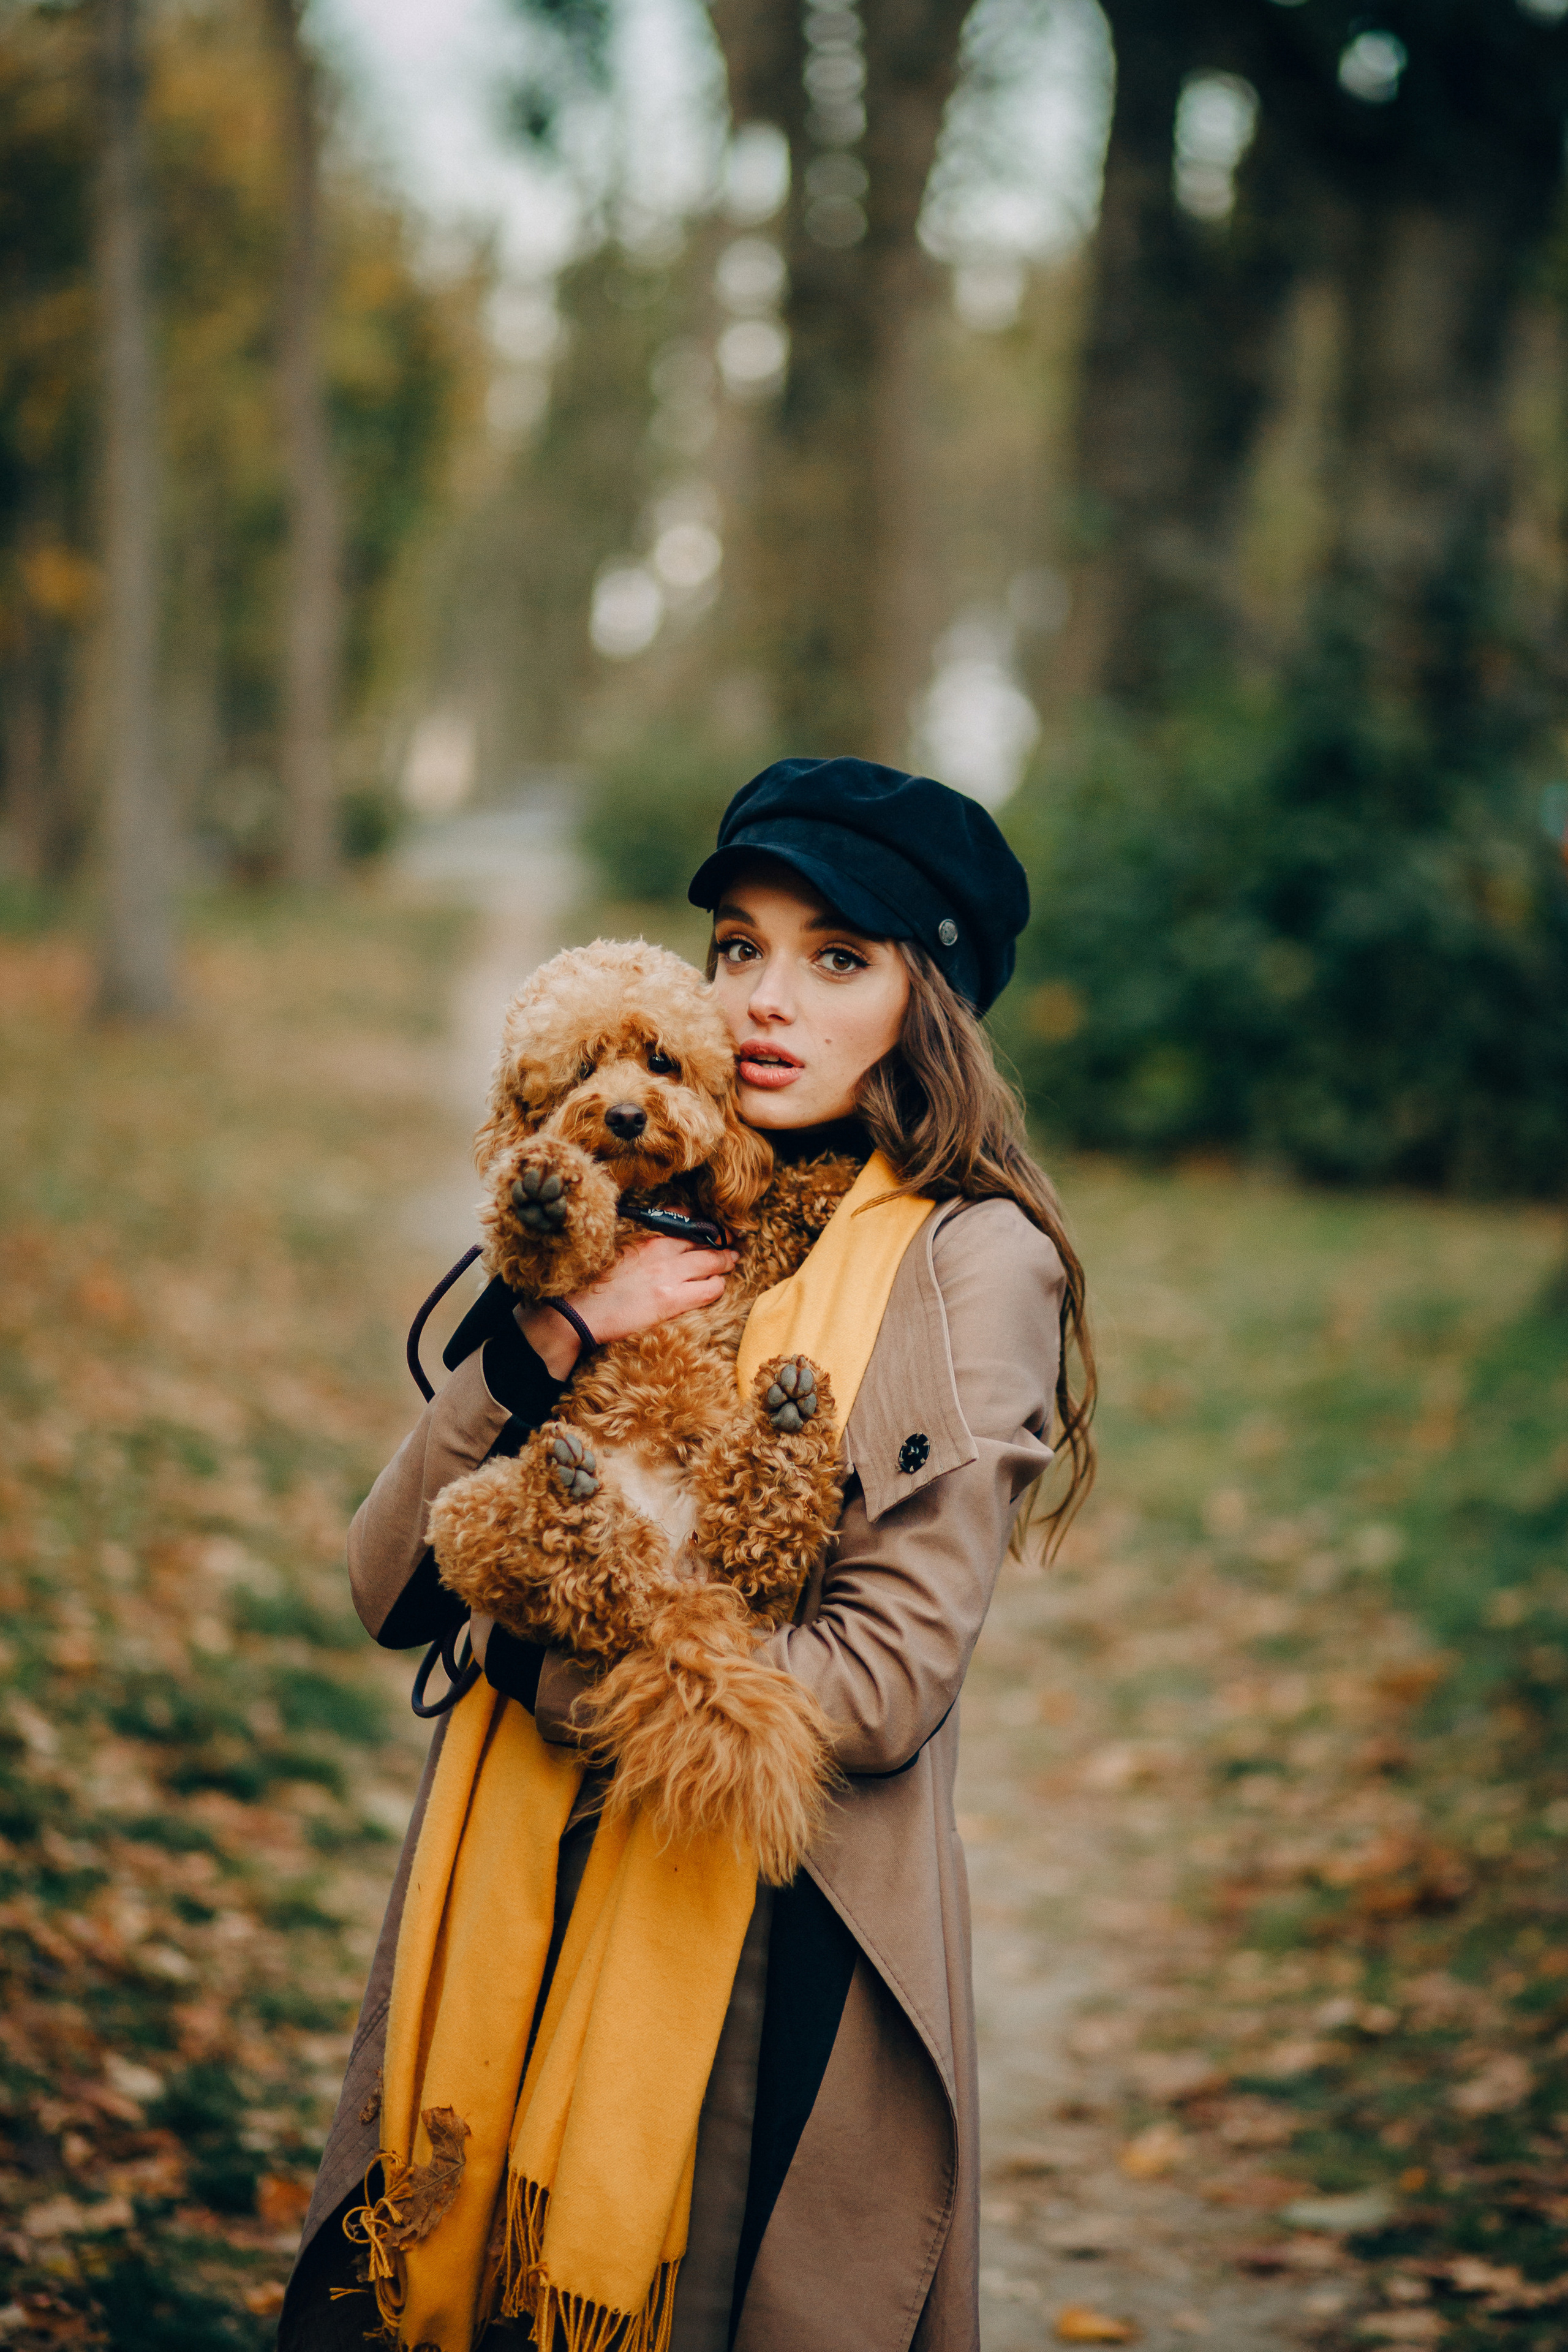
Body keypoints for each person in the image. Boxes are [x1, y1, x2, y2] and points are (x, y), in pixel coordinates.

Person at [280, 756, 1093, 2352]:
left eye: (836, 958)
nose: (767, 998)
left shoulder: (972, 1260)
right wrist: (556, 1334)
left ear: (927, 1002)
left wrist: (545, 1658)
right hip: (519, 1894)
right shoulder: (632, 1193)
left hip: (764, 1949)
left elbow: (880, 1688)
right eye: (739, 948)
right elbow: (389, 1584)